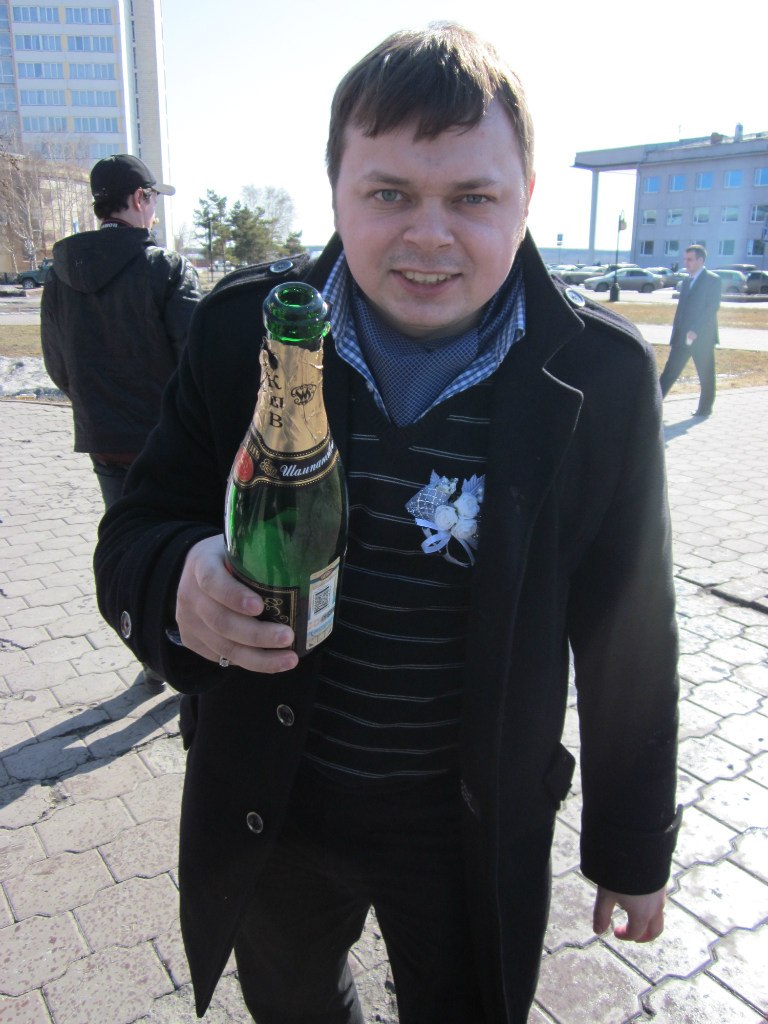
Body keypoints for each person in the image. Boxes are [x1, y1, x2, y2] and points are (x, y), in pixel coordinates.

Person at [94, 25, 680, 1024]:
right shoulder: (241, 334)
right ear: (336, 191)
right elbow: (135, 528)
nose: (429, 235)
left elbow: (632, 636)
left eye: (473, 197)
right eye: (390, 193)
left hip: (467, 825)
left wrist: (631, 849)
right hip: (275, 801)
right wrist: (176, 577)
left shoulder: (602, 376)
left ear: (526, 197)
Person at [42, 153, 201, 692]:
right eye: (152, 199)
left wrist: (100, 408)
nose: (154, 211)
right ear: (138, 199)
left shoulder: (60, 276)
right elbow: (195, 361)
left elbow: (58, 367)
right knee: (183, 550)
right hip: (169, 446)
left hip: (106, 444)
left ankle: (151, 657)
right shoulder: (164, 267)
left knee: (132, 547)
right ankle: (192, 659)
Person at [659, 244, 721, 417]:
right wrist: (676, 332)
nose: (686, 262)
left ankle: (704, 409)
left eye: (690, 259)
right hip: (682, 338)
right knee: (669, 372)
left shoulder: (712, 280)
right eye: (685, 259)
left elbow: (711, 308)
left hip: (701, 338)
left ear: (700, 260)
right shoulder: (686, 281)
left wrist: (695, 330)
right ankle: (651, 407)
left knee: (706, 375)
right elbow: (682, 310)